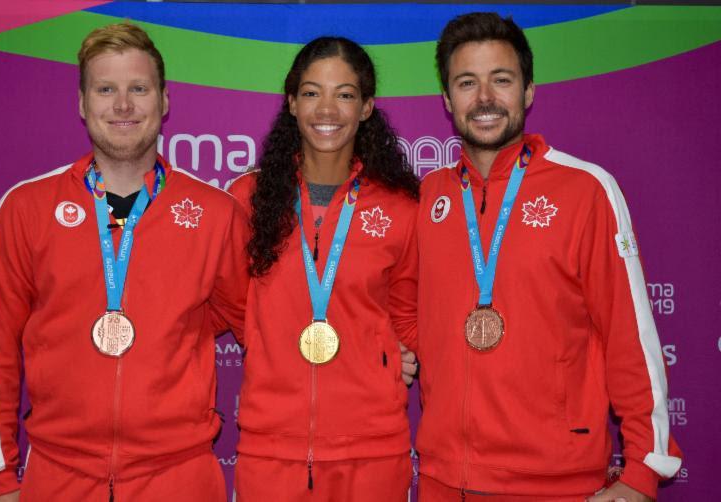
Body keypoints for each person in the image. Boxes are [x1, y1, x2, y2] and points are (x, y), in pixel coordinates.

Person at [0, 23, 247, 501]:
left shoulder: (215, 214)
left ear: (164, 101)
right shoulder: (26, 208)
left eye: (138, 88)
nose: (123, 105)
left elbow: (260, 326)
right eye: (106, 89)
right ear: (81, 103)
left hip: (179, 477)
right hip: (59, 476)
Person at [415, 12, 682, 502]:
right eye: (467, 82)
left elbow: (631, 334)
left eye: (502, 80)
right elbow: (410, 311)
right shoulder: (430, 194)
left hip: (556, 484)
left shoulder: (586, 190)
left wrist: (643, 470)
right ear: (447, 100)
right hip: (443, 480)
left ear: (529, 91)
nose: (485, 98)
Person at [227, 37, 420, 501]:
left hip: (372, 450)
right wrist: (271, 342)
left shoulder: (401, 207)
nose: (326, 109)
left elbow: (408, 311)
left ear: (367, 107)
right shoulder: (247, 199)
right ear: (291, 103)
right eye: (312, 93)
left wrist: (388, 354)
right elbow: (235, 305)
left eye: (345, 94)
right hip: (271, 450)